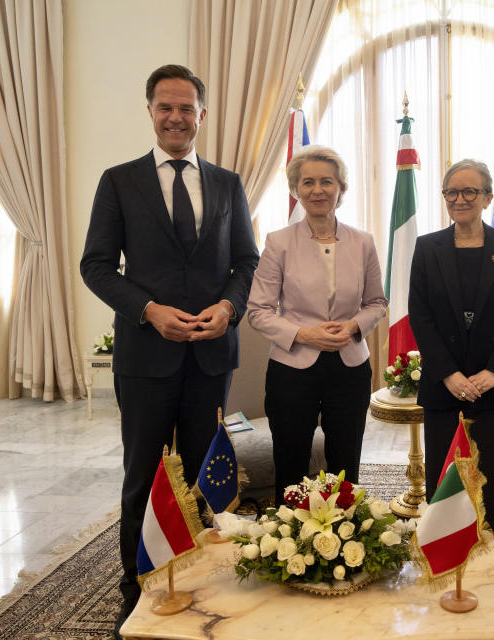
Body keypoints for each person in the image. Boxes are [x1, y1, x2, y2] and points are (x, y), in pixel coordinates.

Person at [79, 64, 259, 634]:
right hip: (146, 356)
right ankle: (137, 585)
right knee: (146, 474)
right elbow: (96, 266)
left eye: (187, 108)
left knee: (210, 476)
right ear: (151, 112)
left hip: (210, 356)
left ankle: (207, 579)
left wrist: (229, 308)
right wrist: (147, 310)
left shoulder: (229, 184)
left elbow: (247, 262)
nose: (177, 117)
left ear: (202, 115)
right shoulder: (119, 181)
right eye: (166, 107)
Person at [247, 145, 386, 507]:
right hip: (292, 369)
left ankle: (344, 541)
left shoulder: (363, 242)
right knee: (291, 464)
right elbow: (258, 310)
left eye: (327, 181)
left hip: (350, 367)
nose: (317, 189)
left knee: (345, 465)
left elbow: (377, 304)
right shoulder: (279, 242)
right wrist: (303, 335)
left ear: (341, 188)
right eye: (307, 182)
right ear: (296, 189)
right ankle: (290, 547)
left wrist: (354, 326)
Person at [408, 159, 494, 533]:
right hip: (444, 388)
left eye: (470, 191)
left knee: (493, 484)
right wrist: (449, 374)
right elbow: (421, 315)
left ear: (487, 197)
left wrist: (493, 372)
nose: (459, 199)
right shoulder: (427, 247)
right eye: (451, 192)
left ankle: (490, 558)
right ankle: (451, 558)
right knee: (449, 485)